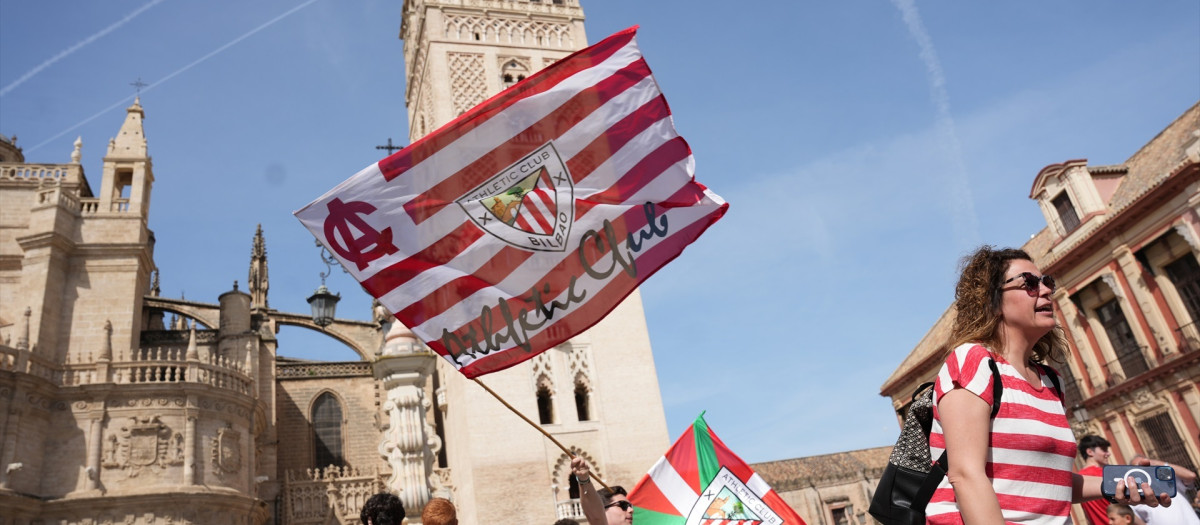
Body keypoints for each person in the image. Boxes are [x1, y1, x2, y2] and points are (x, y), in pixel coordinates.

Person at [926, 246, 1171, 524]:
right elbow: (965, 475)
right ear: (992, 302)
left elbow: (1051, 484)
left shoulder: (1052, 381)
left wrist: (1123, 482)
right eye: (1029, 283)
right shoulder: (974, 360)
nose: (1045, 290)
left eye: (1047, 282)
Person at [1129, 455, 1199, 525]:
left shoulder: (1168, 480)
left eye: (1145, 465)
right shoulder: (1135, 497)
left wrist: (1156, 463)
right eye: (1138, 467)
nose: (1143, 468)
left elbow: (1191, 476)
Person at [571, 456, 633, 525]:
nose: (631, 510)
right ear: (602, 510)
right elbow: (596, 518)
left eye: (630, 506)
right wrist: (584, 479)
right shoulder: (597, 515)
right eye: (623, 505)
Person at [1080, 435, 1116, 525]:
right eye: (1104, 450)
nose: (1108, 453)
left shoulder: (1078, 479)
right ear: (1090, 452)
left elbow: (1087, 516)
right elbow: (1124, 509)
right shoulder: (1107, 474)